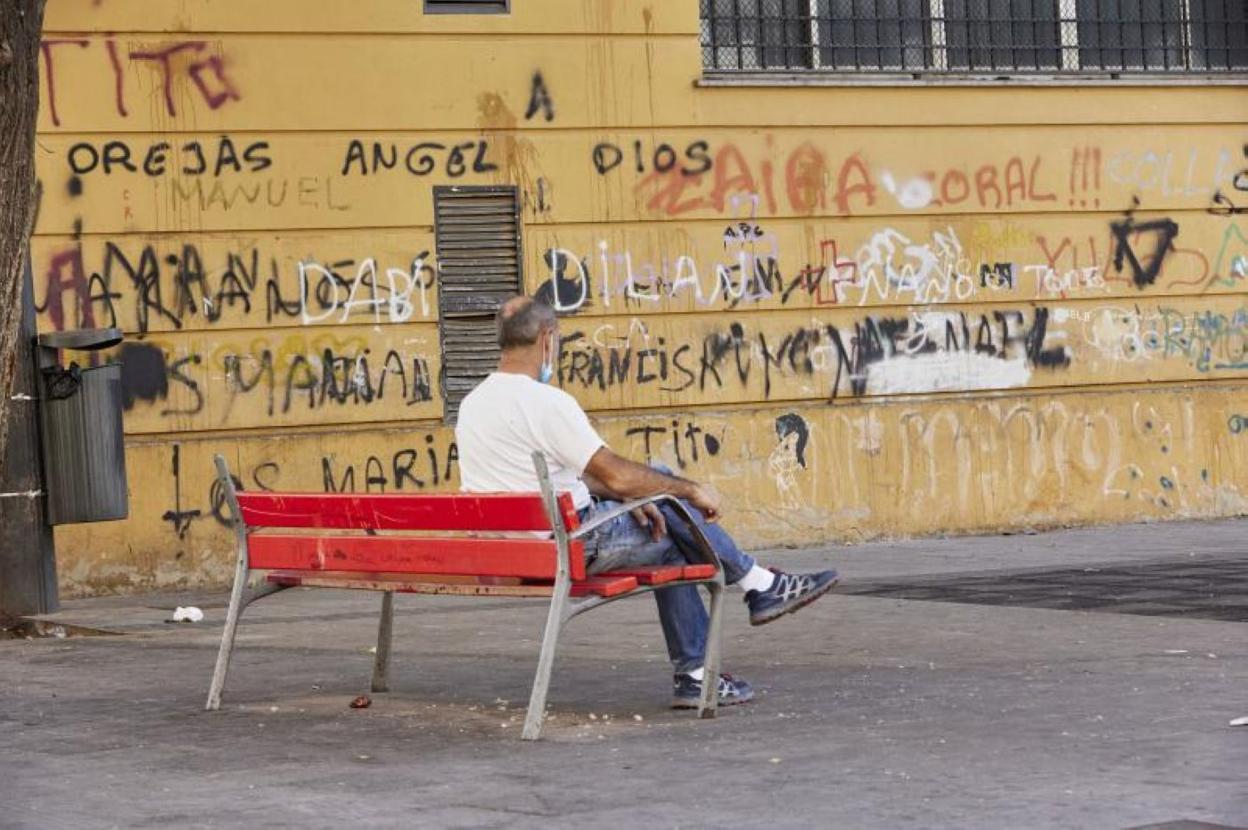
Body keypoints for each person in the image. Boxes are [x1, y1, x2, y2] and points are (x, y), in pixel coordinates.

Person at [455, 296, 839, 709]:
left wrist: (626, 493)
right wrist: (689, 490)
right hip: (569, 546)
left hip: (510, 552)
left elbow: (570, 479)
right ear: (548, 339)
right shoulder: (548, 403)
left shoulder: (473, 404)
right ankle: (753, 591)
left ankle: (744, 606)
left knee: (663, 505)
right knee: (674, 520)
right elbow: (616, 473)